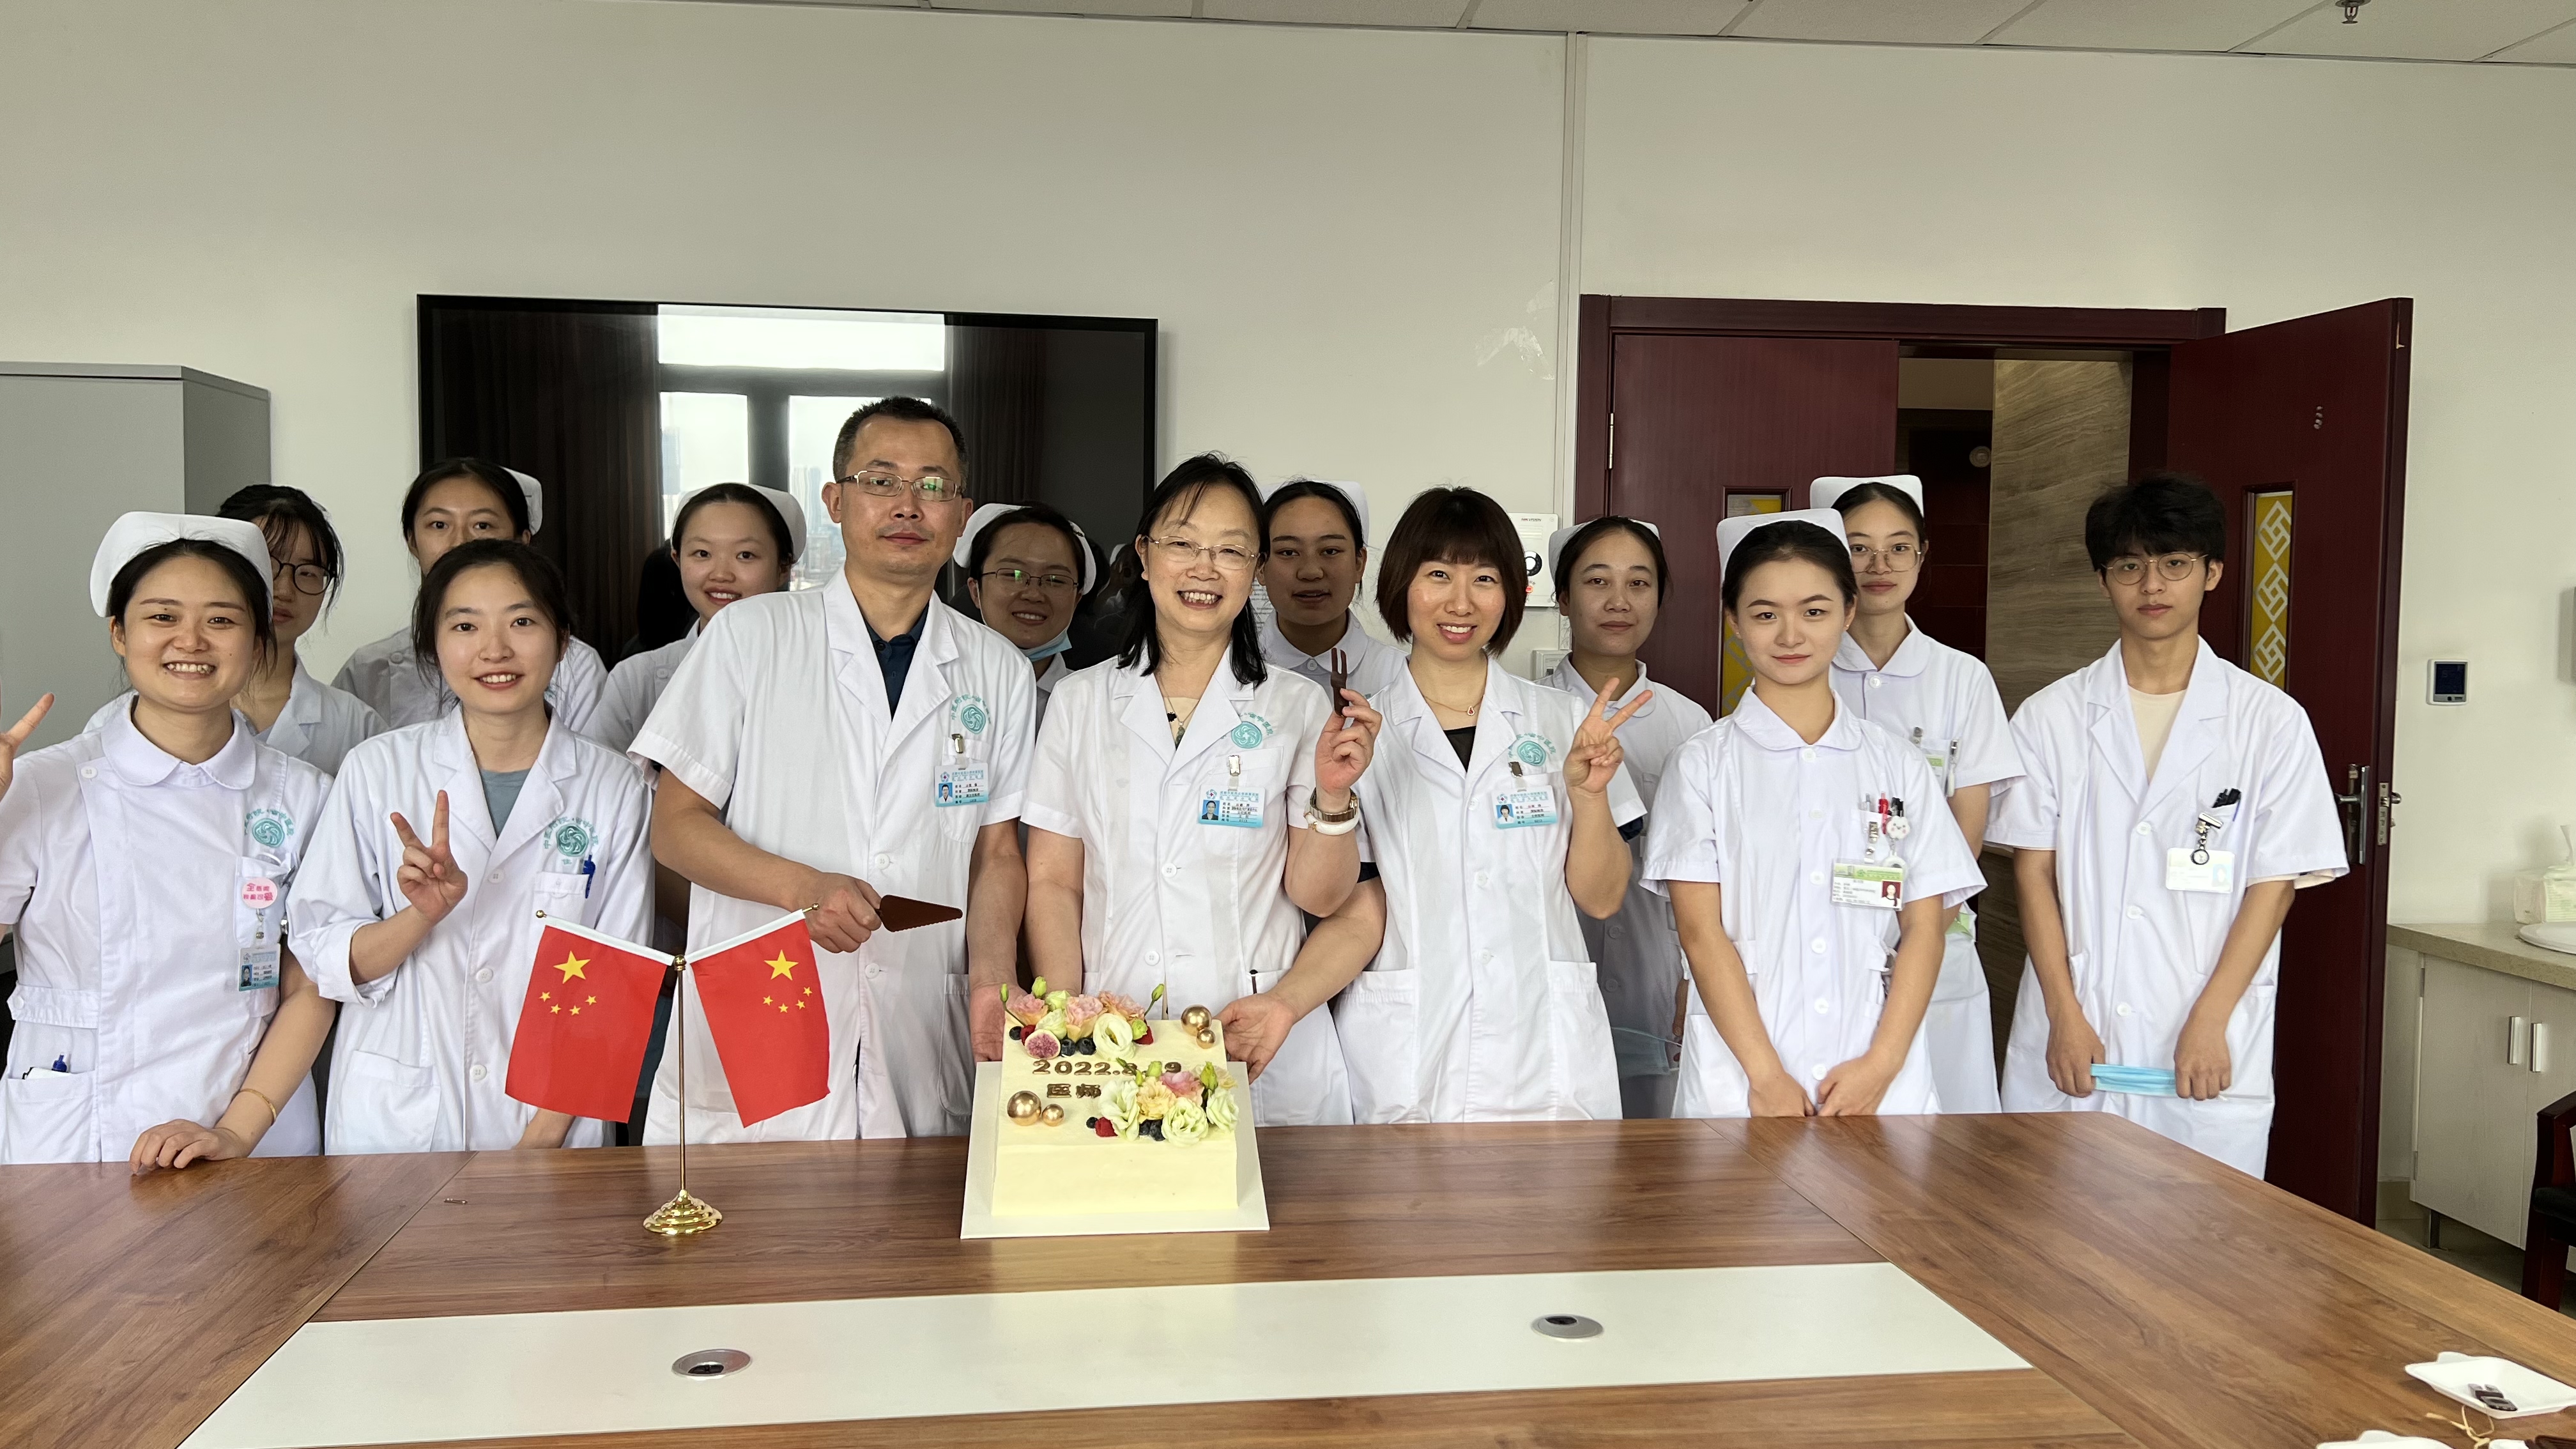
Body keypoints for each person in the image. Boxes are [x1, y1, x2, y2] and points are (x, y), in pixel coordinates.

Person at [631, 397, 1031, 1141]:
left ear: (961, 514)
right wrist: (803, 890)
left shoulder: (997, 669)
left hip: (918, 1021)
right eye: (881, 481)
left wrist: (991, 982)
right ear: (836, 501)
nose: (908, 505)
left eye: (933, 485)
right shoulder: (751, 637)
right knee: (748, 1215)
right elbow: (676, 829)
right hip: (762, 1009)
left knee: (912, 1210)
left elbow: (997, 854)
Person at [1991, 472, 2346, 1175]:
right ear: (2103, 581)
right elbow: (2033, 872)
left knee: (2201, 1230)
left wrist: (2212, 1018)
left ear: (2212, 573)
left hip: (2204, 1034)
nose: (2152, 585)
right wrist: (2063, 1012)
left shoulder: (2269, 722)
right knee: (2058, 1228)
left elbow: (2274, 884)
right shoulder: (2051, 717)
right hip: (2079, 1033)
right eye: (2129, 566)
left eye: (2175, 563)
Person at [1023, 456, 1374, 1126]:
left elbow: (1321, 896)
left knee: (1274, 1193)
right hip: (1117, 1027)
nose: (1205, 568)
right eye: (1183, 544)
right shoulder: (1079, 702)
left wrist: (1333, 797)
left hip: (1253, 1031)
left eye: (1231, 550)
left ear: (1256, 570)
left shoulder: (1298, 706)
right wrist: (1069, 1024)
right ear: (1144, 555)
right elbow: (1054, 883)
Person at [289, 540, 652, 1153]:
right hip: (399, 1120)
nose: (495, 650)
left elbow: (617, 983)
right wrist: (419, 917)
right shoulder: (377, 770)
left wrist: (542, 1143)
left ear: (563, 641)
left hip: (553, 1123)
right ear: (432, 646)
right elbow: (325, 955)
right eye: (465, 626)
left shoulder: (613, 785)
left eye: (522, 622)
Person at [0, 514, 335, 1166]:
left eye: (221, 619)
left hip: (250, 1132)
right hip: (78, 1134)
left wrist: (236, 1132)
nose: (191, 641)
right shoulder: (42, 786)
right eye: (162, 617)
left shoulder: (304, 797)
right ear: (119, 633)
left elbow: (310, 985)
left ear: (257, 640)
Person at [1644, 510, 1983, 1119]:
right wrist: (1765, 1075)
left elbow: (1925, 928)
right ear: (1733, 622)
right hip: (1744, 1078)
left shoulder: (1898, 764)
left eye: (1815, 611)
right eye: (1765, 614)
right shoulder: (1701, 765)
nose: (1790, 635)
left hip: (1876, 1071)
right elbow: (1700, 933)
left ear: (1849, 613)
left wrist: (1882, 1065)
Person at [1331, 487, 1643, 1123]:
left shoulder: (1563, 722)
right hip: (1410, 1047)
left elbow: (1603, 898)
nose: (1461, 602)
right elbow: (1345, 905)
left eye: (1484, 578)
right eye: (1438, 575)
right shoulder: (1356, 735)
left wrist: (1588, 798)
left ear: (1511, 594)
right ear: (1401, 584)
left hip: (1545, 1050)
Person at [1813, 474, 2023, 1114]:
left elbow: (1967, 831)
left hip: (1936, 940)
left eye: (1899, 548)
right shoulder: (1801, 668)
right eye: (1859, 548)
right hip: (1823, 935)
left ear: (1922, 556)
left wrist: (1915, 924)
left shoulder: (1963, 679)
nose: (1880, 566)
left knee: (1946, 1141)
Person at [1542, 516, 1713, 1118]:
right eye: (1597, 581)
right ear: (1563, 598)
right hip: (1552, 968)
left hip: (1657, 974)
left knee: (1658, 1149)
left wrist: (1695, 975)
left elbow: (1712, 870)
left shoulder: (1692, 726)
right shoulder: (1523, 717)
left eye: (1639, 583)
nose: (1619, 601)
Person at [84, 486, 383, 776]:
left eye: (308, 573)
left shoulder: (355, 725)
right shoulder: (114, 724)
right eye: (266, 565)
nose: (283, 590)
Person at [333, 461, 607, 737]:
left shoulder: (577, 667)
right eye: (439, 525)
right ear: (412, 541)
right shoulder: (367, 671)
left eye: (482, 525)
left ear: (521, 541)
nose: (460, 542)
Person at [592, 483, 806, 755]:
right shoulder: (636, 680)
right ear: (677, 560)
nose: (721, 574)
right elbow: (596, 774)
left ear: (783, 567)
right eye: (703, 554)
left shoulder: (816, 671)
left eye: (745, 555)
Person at [1257, 479, 1406, 703]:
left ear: (1359, 563)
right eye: (1288, 552)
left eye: (1330, 551)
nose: (1311, 572)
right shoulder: (1224, 674)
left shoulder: (1402, 678)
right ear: (1260, 566)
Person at [955, 502, 1094, 727]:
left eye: (1055, 580)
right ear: (976, 591)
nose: (1033, 594)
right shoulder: (940, 689)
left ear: (1076, 600)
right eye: (1013, 575)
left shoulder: (1097, 704)